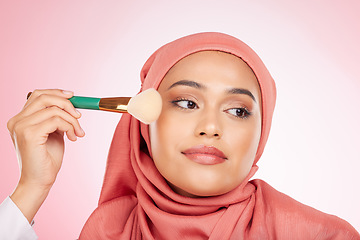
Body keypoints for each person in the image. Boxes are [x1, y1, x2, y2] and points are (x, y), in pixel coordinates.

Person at [1, 32, 359, 239]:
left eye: (237, 111)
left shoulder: (323, 237)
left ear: (261, 132)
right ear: (143, 121)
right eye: (186, 102)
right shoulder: (109, 231)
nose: (210, 127)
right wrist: (31, 189)